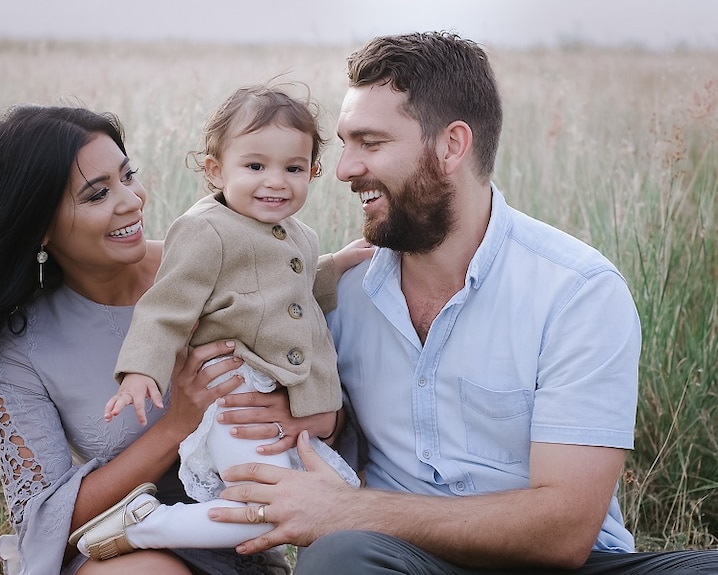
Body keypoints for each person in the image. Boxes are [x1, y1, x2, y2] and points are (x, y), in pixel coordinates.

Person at [206, 32, 718, 574]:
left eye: (371, 143)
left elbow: (565, 529)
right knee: (343, 556)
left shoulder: (576, 291)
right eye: (345, 144)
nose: (343, 169)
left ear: (452, 146)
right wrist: (311, 421)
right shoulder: (339, 293)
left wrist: (350, 509)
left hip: (569, 566)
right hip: (396, 561)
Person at [0, 104, 331, 575]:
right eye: (97, 195)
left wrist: (309, 415)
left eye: (128, 175)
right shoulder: (21, 349)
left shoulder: (208, 268)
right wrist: (176, 424)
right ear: (38, 226)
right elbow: (42, 524)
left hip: (245, 534)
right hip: (120, 550)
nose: (132, 200)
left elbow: (311, 335)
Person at [71, 84, 367, 560]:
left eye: (293, 168)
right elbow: (165, 307)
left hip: (278, 400)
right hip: (236, 398)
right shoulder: (204, 229)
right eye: (255, 166)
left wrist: (335, 265)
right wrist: (140, 370)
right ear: (216, 169)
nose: (276, 181)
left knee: (334, 501)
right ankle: (148, 523)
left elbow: (294, 294)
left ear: (312, 171)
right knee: (265, 512)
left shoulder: (300, 234)